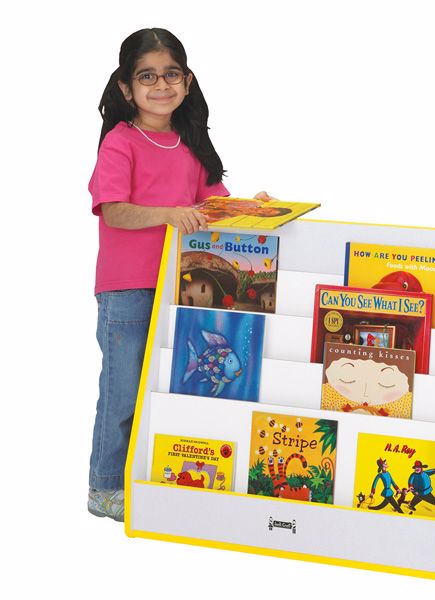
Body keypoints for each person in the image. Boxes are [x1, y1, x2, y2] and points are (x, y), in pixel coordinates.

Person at [87, 28, 271, 521]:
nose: (161, 85)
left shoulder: (191, 144)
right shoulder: (120, 143)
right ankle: (105, 486)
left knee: (170, 386)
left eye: (171, 74)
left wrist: (252, 206)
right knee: (124, 389)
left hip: (184, 286)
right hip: (128, 287)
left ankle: (153, 476)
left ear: (187, 82)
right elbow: (114, 211)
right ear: (126, 88)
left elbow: (214, 207)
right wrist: (170, 213)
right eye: (147, 76)